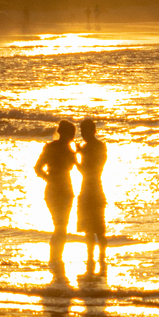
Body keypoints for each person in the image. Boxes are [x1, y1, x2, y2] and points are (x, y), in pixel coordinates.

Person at [34, 118, 77, 281]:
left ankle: (56, 259)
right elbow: (38, 168)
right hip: (61, 189)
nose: (72, 136)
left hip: (59, 189)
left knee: (60, 226)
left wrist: (49, 178)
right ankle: (55, 259)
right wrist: (51, 179)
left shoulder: (59, 148)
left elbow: (38, 169)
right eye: (71, 133)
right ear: (64, 133)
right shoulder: (66, 150)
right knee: (61, 226)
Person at [76, 116, 108, 281]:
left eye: (84, 131)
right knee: (97, 228)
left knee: (91, 228)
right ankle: (100, 258)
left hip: (89, 188)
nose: (82, 134)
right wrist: (81, 152)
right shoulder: (100, 146)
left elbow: (86, 171)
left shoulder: (89, 148)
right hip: (96, 187)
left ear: (92, 131)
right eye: (81, 131)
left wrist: (76, 160)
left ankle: (93, 258)